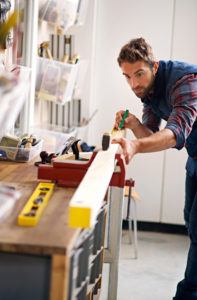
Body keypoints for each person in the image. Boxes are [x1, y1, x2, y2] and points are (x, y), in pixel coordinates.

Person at [112, 37, 197, 300]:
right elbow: (150, 133)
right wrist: (134, 123)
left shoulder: (186, 81)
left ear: (155, 66)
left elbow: (174, 134)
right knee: (190, 223)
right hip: (195, 159)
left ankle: (186, 295)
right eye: (127, 77)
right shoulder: (147, 91)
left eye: (139, 74)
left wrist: (136, 146)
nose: (134, 84)